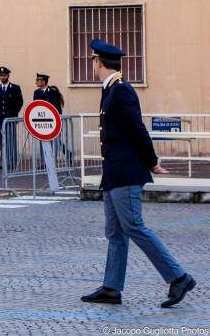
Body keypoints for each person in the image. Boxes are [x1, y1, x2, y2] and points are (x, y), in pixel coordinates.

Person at [81, 39, 196, 309]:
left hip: (126, 171)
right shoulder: (110, 89)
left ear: (99, 62)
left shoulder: (120, 91)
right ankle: (111, 287)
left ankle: (178, 277)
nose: (93, 65)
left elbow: (137, 130)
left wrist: (152, 161)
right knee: (115, 232)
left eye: (94, 61)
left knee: (133, 226)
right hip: (114, 173)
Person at [0, 66, 23, 169]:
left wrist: (13, 113)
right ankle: (5, 162)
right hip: (0, 119)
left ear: (8, 76)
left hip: (10, 119)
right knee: (3, 141)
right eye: (1, 76)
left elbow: (19, 102)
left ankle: (12, 162)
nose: (2, 77)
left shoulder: (15, 88)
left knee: (11, 141)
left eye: (4, 75)